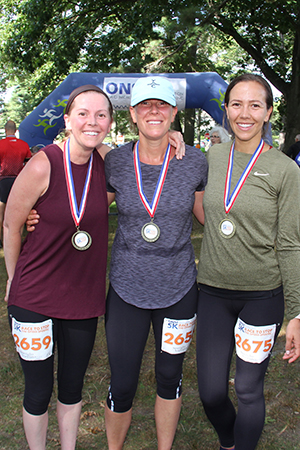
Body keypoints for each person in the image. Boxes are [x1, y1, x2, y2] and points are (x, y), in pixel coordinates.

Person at [3, 85, 113, 450]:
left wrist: (174, 136)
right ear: (67, 120)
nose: (91, 121)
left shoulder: (110, 163)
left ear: (110, 122)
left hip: (82, 299)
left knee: (71, 387)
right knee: (38, 390)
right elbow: (11, 224)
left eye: (100, 114)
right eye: (82, 113)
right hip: (34, 298)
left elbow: (150, 156)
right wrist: (14, 278)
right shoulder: (42, 163)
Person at [196, 74, 300, 450]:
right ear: (225, 111)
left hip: (262, 296)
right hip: (212, 292)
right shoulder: (211, 157)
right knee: (210, 392)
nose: (245, 113)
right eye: (236, 104)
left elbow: (290, 244)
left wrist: (296, 314)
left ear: (268, 112)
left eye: (255, 105)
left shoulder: (286, 171)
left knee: (248, 388)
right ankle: (229, 440)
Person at [104, 76, 207, 450]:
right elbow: (87, 209)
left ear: (174, 113)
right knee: (123, 382)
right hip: (126, 290)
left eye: (161, 105)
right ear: (132, 114)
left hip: (179, 289)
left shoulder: (194, 160)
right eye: (145, 105)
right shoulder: (114, 160)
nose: (153, 111)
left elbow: (207, 214)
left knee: (170, 375)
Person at [0, 120, 31, 246]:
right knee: (22, 211)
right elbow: (28, 162)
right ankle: (21, 239)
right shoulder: (24, 145)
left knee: (1, 212)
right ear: (16, 130)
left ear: (6, 130)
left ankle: (1, 240)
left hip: (3, 180)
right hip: (18, 181)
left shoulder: (1, 144)